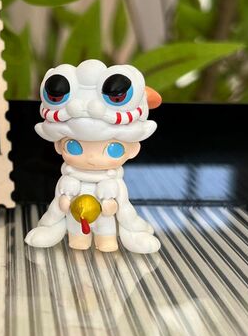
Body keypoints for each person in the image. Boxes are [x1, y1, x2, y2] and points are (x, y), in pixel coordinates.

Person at [24, 59, 162, 253]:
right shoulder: (68, 181)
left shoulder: (113, 184)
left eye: (113, 149)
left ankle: (107, 242)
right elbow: (59, 204)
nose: (91, 158)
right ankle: (75, 240)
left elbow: (123, 207)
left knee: (107, 239)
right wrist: (64, 204)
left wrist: (111, 207)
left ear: (133, 150)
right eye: (74, 147)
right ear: (58, 146)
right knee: (77, 240)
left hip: (105, 222)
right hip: (75, 220)